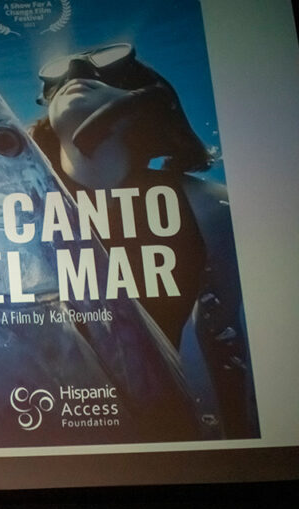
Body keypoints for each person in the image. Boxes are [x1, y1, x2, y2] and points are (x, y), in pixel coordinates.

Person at [29, 43, 253, 437]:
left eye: (108, 73)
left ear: (148, 100)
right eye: (63, 76)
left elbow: (224, 341)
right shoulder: (13, 209)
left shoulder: (210, 206)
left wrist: (239, 453)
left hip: (157, 428)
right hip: (36, 429)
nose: (78, 73)